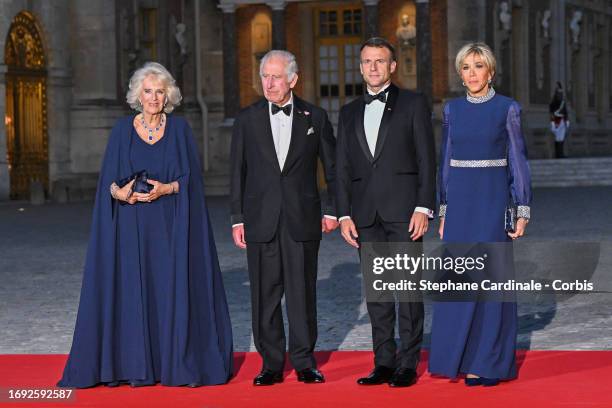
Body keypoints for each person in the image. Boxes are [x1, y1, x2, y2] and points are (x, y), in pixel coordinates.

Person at [58, 62, 233, 388]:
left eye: (160, 91)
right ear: (138, 94)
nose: (154, 97)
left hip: (169, 229)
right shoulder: (122, 131)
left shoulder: (179, 130)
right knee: (134, 293)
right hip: (130, 229)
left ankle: (171, 363)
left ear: (169, 95)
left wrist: (167, 188)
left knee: (166, 291)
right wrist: (119, 192)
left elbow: (192, 181)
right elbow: (107, 184)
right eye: (148, 91)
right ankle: (134, 364)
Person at [229, 50, 338, 386]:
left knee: (302, 292)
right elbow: (237, 172)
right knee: (265, 294)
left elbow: (332, 169)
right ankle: (271, 364)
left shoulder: (315, 117)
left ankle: (305, 361)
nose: (270, 83)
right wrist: (237, 218)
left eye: (277, 77)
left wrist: (332, 209)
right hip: (260, 220)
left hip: (302, 218)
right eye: (265, 76)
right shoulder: (246, 119)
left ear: (293, 79)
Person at [336, 37, 436, 388]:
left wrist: (425, 206)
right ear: (360, 66)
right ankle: (383, 362)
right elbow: (342, 168)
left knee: (408, 290)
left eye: (380, 61)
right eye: (367, 61)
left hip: (406, 211)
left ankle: (408, 363)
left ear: (392, 66)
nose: (373, 67)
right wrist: (344, 214)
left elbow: (426, 158)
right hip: (365, 215)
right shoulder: (348, 111)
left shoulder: (413, 104)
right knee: (378, 292)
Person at [429, 42, 531, 386]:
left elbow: (518, 162)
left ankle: (486, 362)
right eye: (466, 68)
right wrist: (443, 211)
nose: (472, 73)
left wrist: (521, 209)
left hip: (491, 203)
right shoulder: (452, 110)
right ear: (460, 73)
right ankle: (455, 356)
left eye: (478, 66)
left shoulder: (507, 108)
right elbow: (446, 162)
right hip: (459, 206)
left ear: (491, 71)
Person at [549, 82, 569, 158]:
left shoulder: (563, 103)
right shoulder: (553, 103)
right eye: (559, 94)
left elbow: (565, 112)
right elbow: (551, 112)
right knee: (557, 138)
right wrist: (552, 122)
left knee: (562, 138)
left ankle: (561, 153)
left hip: (562, 121)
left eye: (561, 94)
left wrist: (567, 120)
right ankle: (558, 154)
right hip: (556, 120)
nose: (560, 95)